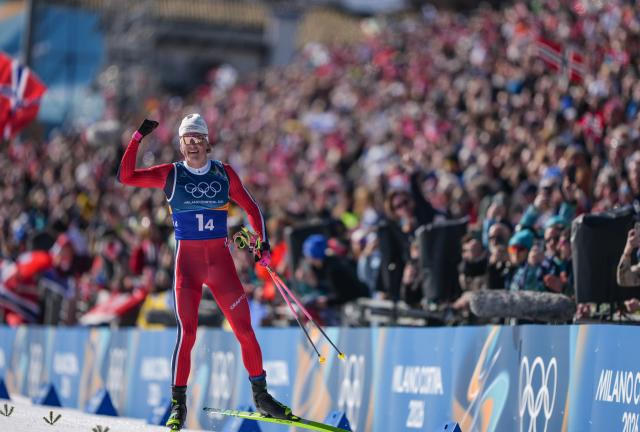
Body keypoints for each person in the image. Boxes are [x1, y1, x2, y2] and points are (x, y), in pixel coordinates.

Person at [118, 114, 293, 430]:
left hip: (221, 267)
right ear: (181, 143)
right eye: (188, 138)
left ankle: (262, 396)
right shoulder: (171, 174)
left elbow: (252, 208)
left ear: (208, 142)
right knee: (187, 334)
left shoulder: (224, 173)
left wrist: (263, 245)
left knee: (245, 330)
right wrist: (136, 139)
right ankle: (178, 406)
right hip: (188, 267)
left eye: (199, 137)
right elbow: (127, 176)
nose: (194, 143)